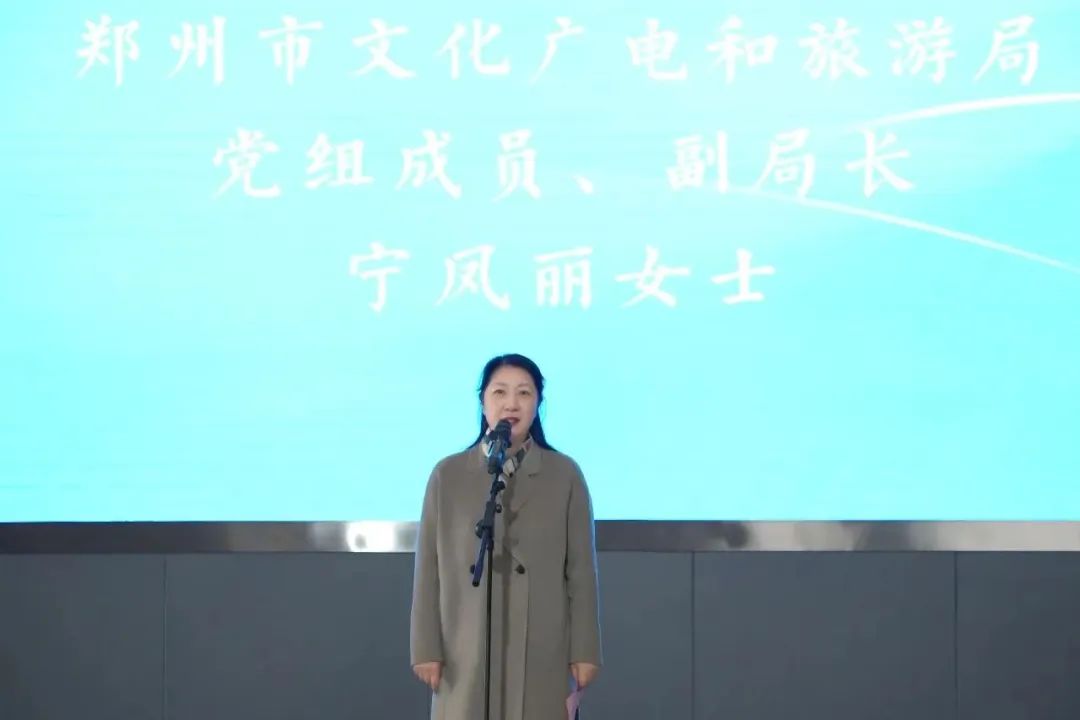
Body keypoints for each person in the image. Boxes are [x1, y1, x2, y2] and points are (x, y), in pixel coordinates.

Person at [410, 353, 602, 720]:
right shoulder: (448, 475)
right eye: (499, 392)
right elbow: (428, 568)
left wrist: (585, 651)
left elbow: (580, 571)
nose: (511, 403)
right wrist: (425, 648)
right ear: (483, 402)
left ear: (538, 404)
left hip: (542, 647)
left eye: (524, 393)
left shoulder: (564, 475)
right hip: (464, 647)